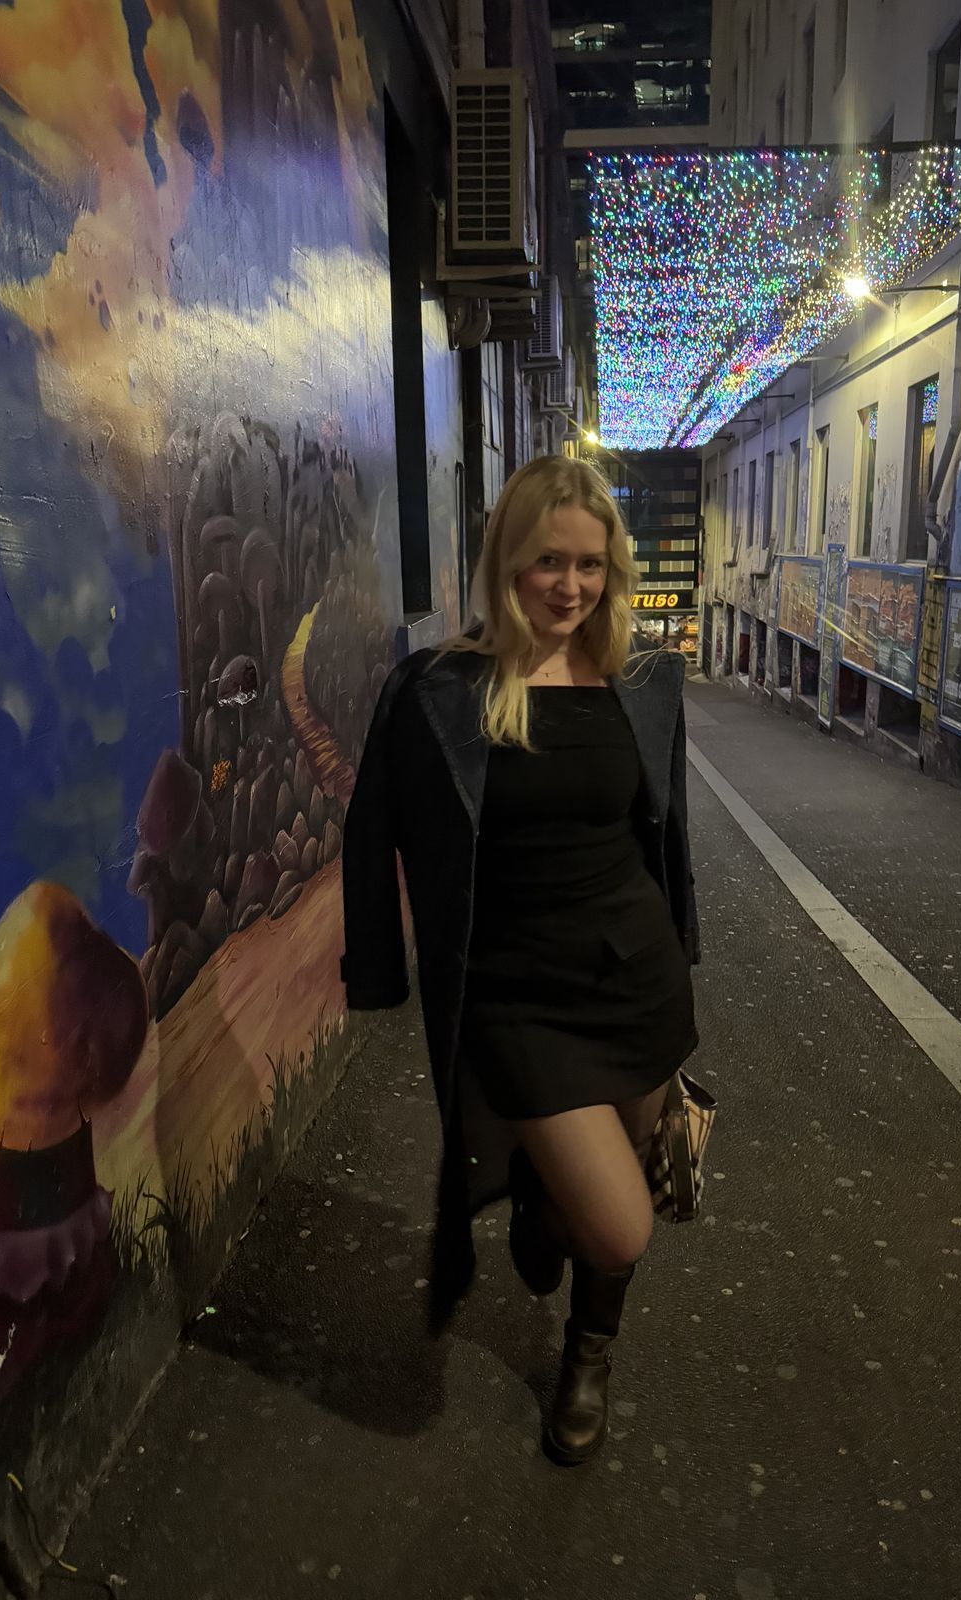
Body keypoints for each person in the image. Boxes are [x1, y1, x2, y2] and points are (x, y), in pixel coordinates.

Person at [339, 456, 701, 1465]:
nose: (571, 586)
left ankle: (588, 1352)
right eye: (549, 561)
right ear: (507, 559)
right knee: (620, 1226)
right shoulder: (440, 690)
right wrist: (378, 973)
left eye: (590, 565)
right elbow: (371, 834)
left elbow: (664, 832)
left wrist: (684, 953)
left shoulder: (645, 679)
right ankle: (548, 1191)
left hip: (636, 980)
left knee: (645, 1186)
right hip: (517, 996)